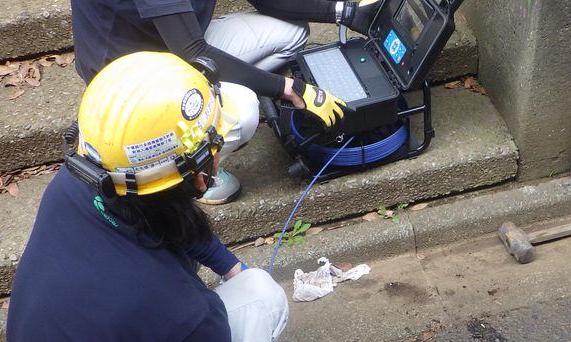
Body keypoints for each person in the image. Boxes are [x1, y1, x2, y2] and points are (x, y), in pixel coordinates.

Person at [6, 52, 335, 342]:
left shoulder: (81, 183)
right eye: (215, 149)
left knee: (240, 285)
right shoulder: (180, 315)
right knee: (264, 300)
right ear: (201, 179)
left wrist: (230, 268)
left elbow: (174, 218)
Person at [70, 0, 382, 204]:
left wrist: (346, 12)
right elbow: (193, 51)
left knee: (292, 34)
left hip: (173, 41)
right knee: (245, 109)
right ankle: (189, 176)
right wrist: (289, 87)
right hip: (129, 77)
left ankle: (217, 88)